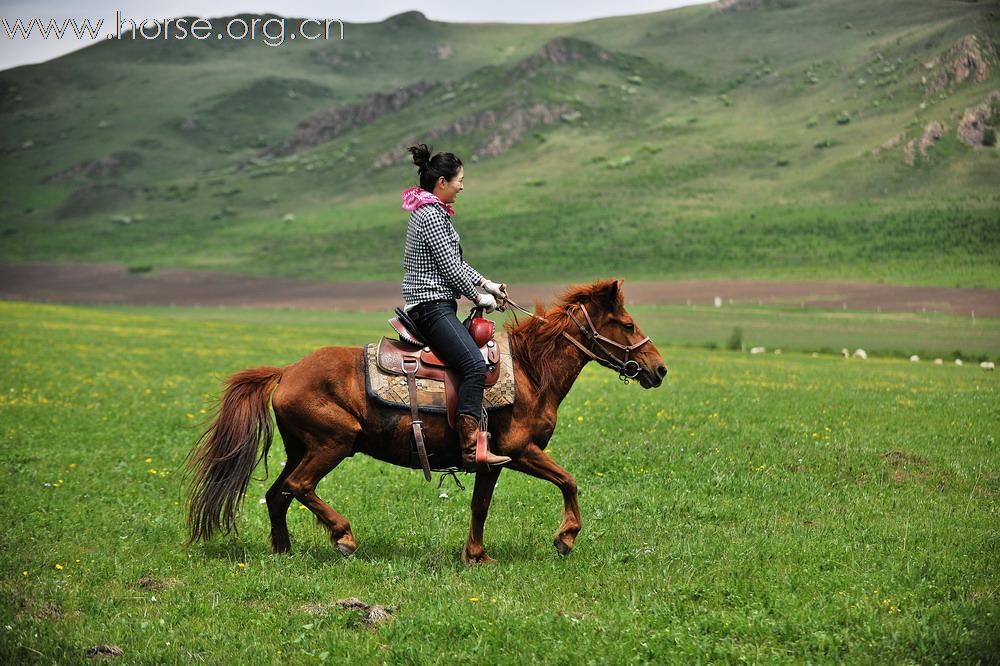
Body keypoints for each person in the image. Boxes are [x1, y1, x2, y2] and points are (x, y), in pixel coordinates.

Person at [400, 143, 511, 472]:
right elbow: (449, 269)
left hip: (438, 303)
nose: (463, 185)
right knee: (475, 365)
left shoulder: (432, 212)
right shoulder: (431, 216)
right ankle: (469, 447)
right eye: (459, 179)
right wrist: (479, 298)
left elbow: (456, 264)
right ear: (442, 183)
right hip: (431, 307)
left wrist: (486, 283)